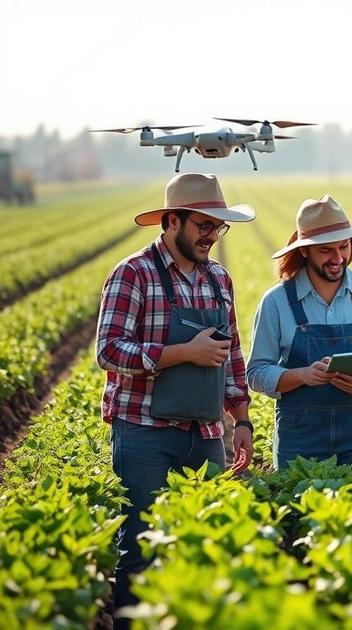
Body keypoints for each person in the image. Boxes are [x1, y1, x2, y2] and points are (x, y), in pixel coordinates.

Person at [96, 173, 255, 626]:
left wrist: (241, 420)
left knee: (205, 542)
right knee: (141, 546)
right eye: (202, 225)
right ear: (171, 221)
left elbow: (233, 355)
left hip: (205, 433)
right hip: (144, 431)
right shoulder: (133, 273)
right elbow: (108, 350)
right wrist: (182, 353)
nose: (211, 235)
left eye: (217, 227)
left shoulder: (219, 279)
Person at [246, 194, 352, 468]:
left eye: (344, 247)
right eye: (326, 250)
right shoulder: (277, 301)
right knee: (298, 509)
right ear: (304, 250)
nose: (338, 258)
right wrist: (303, 375)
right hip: (299, 434)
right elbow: (256, 372)